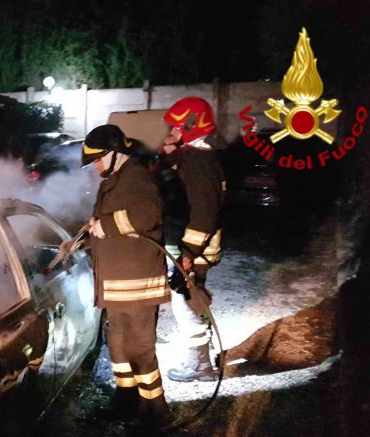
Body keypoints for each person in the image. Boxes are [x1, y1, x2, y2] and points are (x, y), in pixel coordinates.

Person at [81, 124, 172, 429]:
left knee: (140, 348)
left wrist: (105, 225)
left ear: (115, 153)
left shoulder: (137, 177)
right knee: (118, 345)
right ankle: (126, 399)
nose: (95, 166)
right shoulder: (116, 179)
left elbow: (148, 214)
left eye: (98, 159)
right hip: (118, 285)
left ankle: (155, 411)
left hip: (137, 285)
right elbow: (112, 225)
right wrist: (88, 236)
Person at [158, 97, 226, 382]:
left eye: (176, 127)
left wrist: (187, 253)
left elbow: (202, 215)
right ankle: (203, 358)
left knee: (185, 303)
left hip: (192, 251)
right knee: (192, 300)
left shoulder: (198, 163)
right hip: (191, 249)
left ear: (191, 126)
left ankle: (200, 365)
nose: (171, 132)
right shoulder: (195, 156)